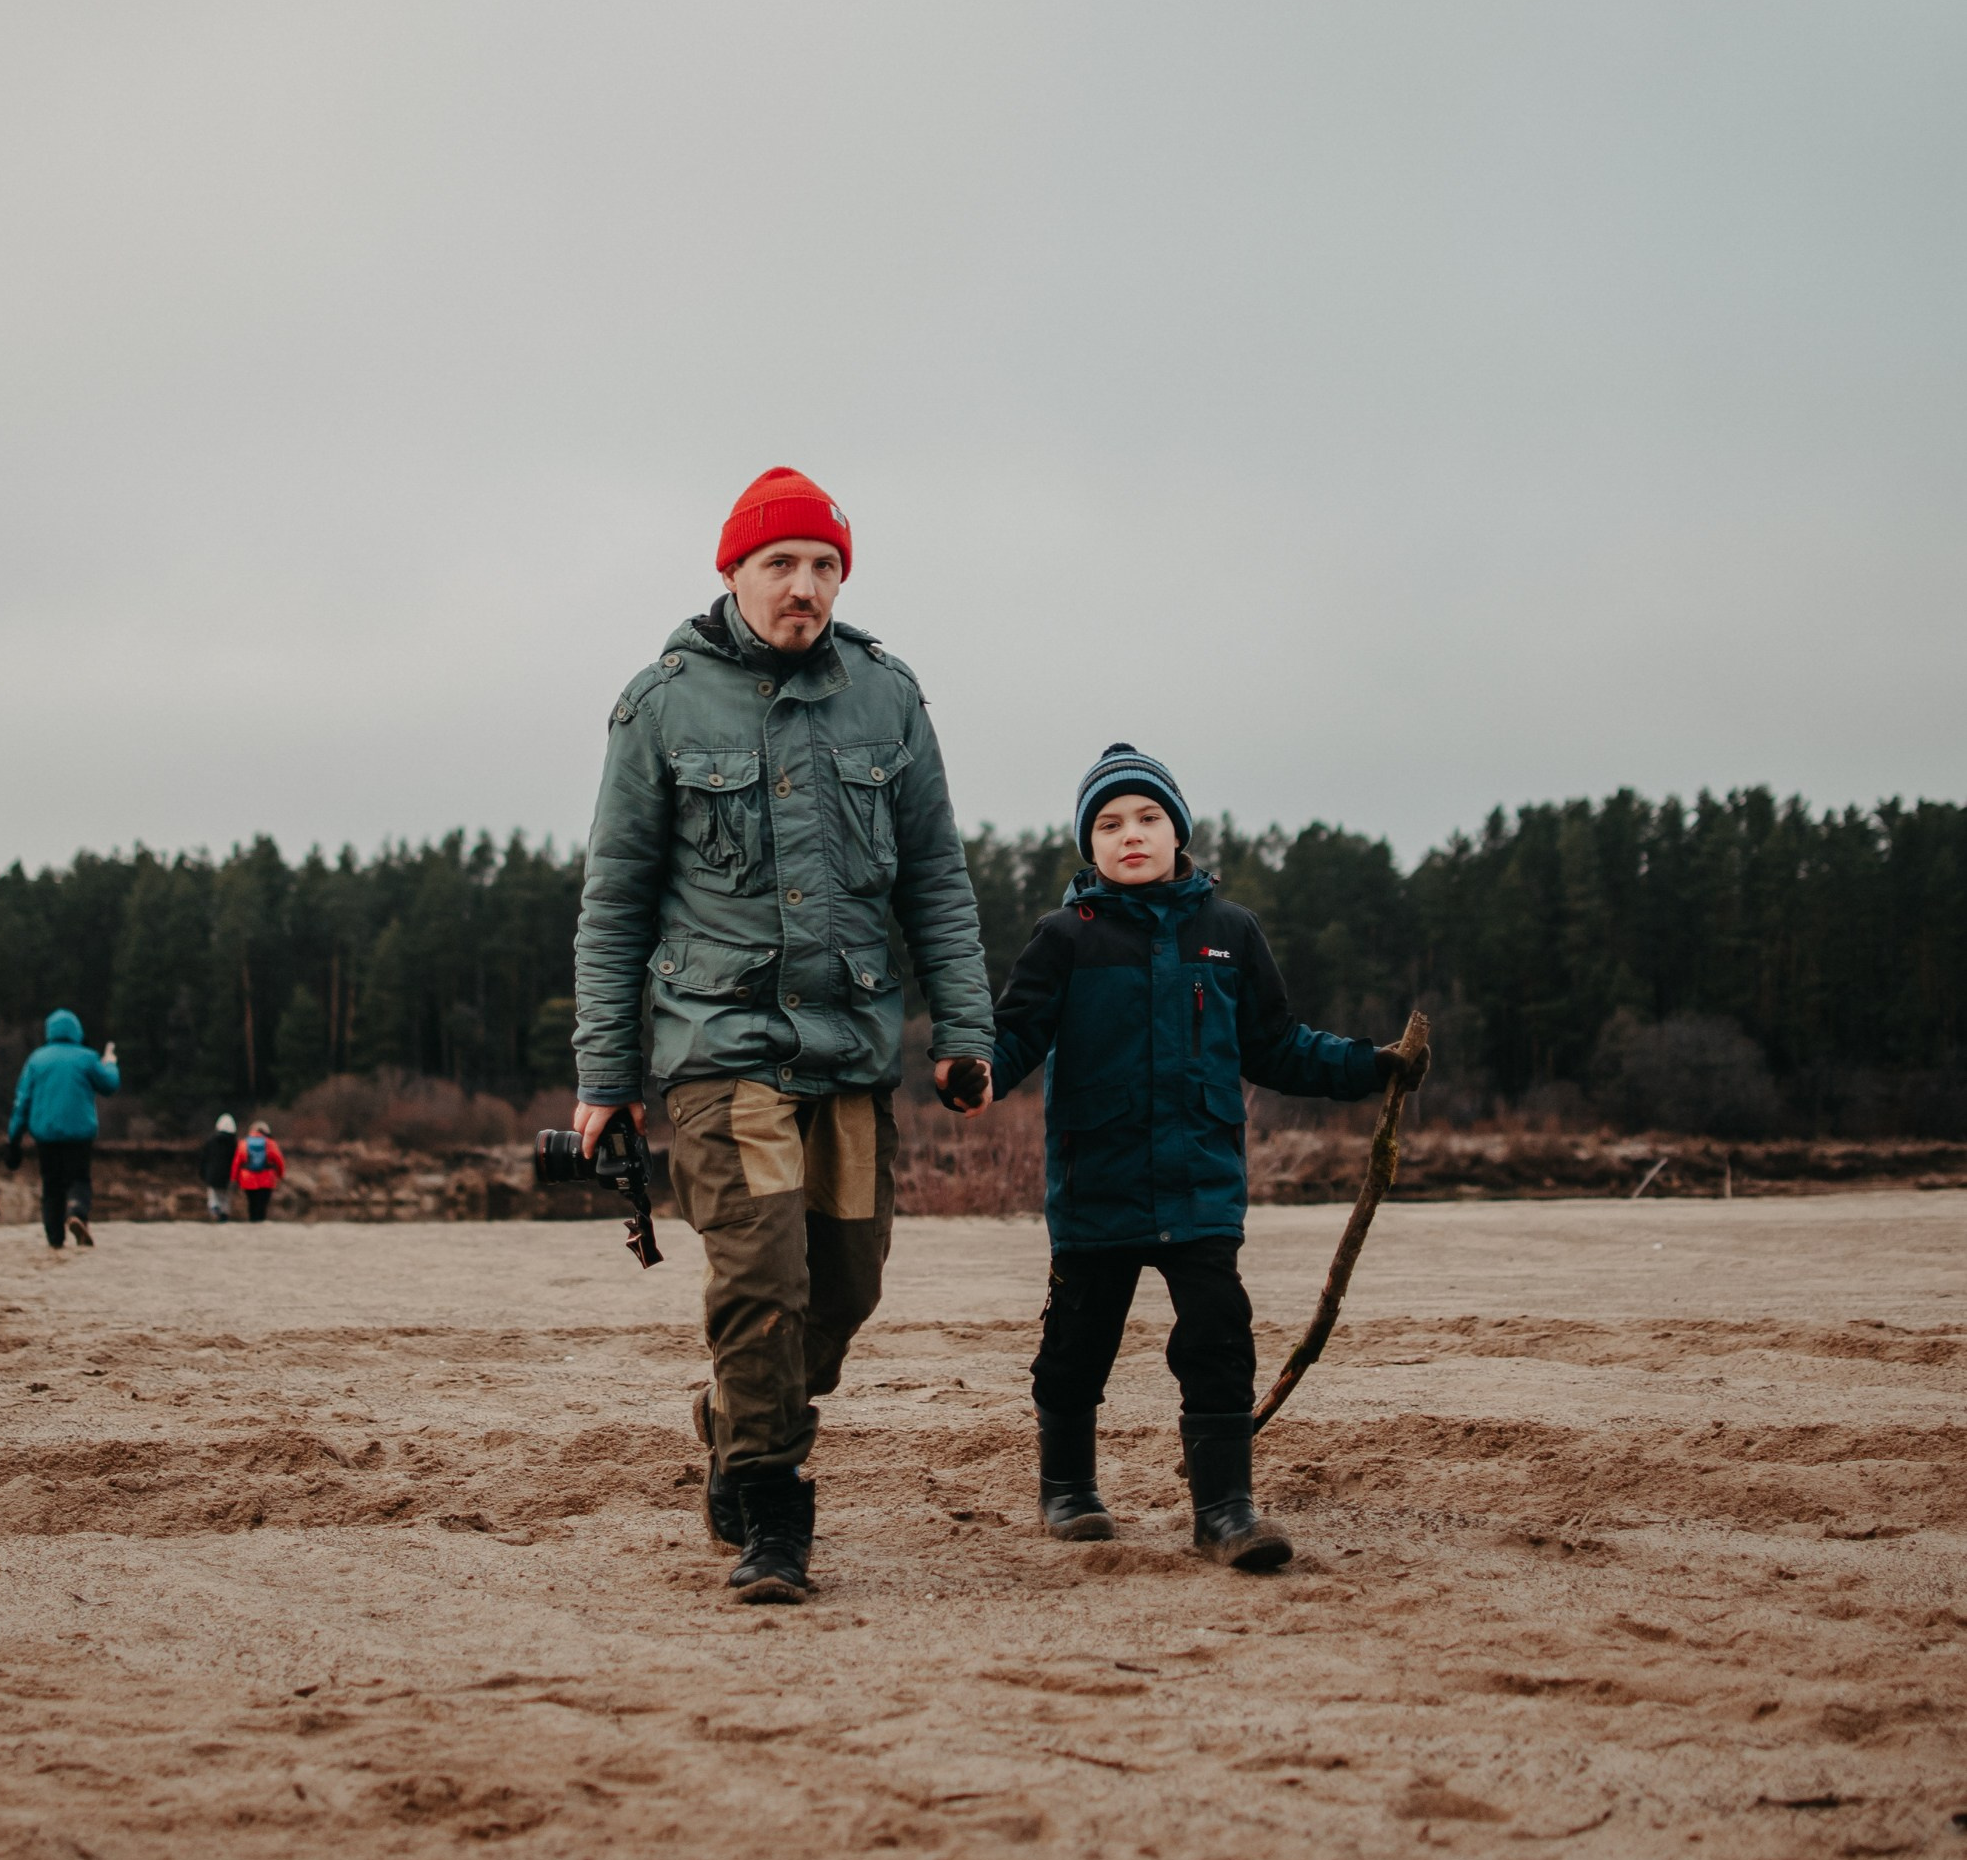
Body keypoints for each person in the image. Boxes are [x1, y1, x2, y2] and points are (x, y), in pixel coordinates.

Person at [572, 466, 995, 1605]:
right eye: (779, 565)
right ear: (733, 573)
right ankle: (771, 1510)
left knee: (843, 1288)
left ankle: (733, 1411)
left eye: (823, 565)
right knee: (764, 1274)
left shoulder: (889, 698)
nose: (802, 586)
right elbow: (614, 902)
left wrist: (965, 1027)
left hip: (852, 1051)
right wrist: (605, 1075)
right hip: (718, 1045)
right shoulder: (660, 703)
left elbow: (939, 884)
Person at [988, 742, 1426, 1573]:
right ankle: (1068, 1489)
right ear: (1088, 845)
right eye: (1109, 824)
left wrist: (1368, 1066)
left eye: (1147, 818)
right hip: (1096, 1190)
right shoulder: (1062, 939)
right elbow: (1012, 1040)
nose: (1130, 836)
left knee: (1220, 1339)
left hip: (1200, 1187)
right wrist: (972, 1074)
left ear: (1177, 831)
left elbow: (1276, 1046)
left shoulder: (1228, 933)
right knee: (1076, 1345)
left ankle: (1224, 1511)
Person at [7, 1010, 121, 1249]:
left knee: (52, 1186)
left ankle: (55, 1241)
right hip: (79, 1135)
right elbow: (110, 1085)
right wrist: (109, 1063)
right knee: (78, 1178)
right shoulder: (87, 1058)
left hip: (46, 1135)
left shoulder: (36, 1060)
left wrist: (14, 1139)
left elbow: (22, 1101)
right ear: (76, 1031)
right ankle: (77, 1212)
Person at [231, 1118, 286, 1223]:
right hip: (266, 1179)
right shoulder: (270, 1143)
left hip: (248, 1179)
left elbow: (237, 1162)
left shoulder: (243, 1143)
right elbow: (279, 1160)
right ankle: (261, 1223)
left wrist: (234, 1178)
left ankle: (252, 1222)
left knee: (252, 1203)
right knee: (262, 1204)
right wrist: (280, 1175)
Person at [198, 1113, 238, 1221]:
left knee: (213, 1198)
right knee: (225, 1199)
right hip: (227, 1177)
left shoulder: (210, 1141)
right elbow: (237, 1161)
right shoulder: (233, 1143)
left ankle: (215, 1212)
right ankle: (223, 1216)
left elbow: (204, 1159)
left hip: (212, 1175)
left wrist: (203, 1173)